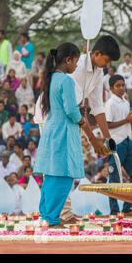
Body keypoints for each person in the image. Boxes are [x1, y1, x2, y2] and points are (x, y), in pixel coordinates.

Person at [34, 43, 87, 228]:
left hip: (51, 127)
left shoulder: (50, 78)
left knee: (51, 175)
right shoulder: (66, 81)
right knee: (64, 176)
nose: (77, 66)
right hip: (63, 130)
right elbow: (71, 110)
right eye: (76, 61)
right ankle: (53, 219)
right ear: (68, 60)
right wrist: (81, 118)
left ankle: (47, 215)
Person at [105, 74, 132, 216]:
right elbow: (107, 125)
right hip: (116, 144)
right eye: (118, 86)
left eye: (123, 85)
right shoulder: (110, 103)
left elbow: (127, 121)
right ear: (111, 88)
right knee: (114, 177)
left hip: (126, 141)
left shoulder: (125, 102)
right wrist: (127, 120)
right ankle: (114, 211)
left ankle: (127, 208)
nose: (121, 88)